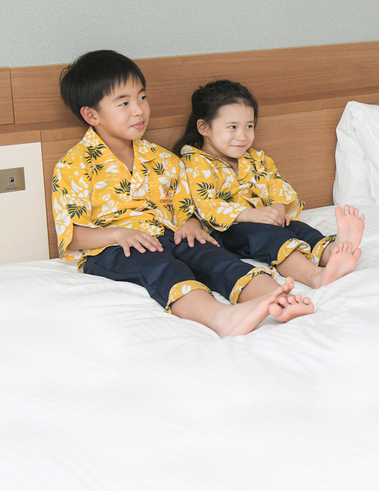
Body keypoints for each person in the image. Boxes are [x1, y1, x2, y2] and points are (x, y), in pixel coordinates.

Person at [52, 51, 313, 337]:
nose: (139, 110)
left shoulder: (164, 159)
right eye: (124, 103)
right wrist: (118, 234)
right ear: (91, 115)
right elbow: (72, 235)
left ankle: (278, 299)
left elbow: (187, 208)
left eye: (142, 97)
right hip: (113, 248)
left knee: (210, 254)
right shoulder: (73, 165)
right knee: (162, 267)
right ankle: (220, 317)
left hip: (167, 234)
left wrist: (191, 225)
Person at [173, 80, 363, 289]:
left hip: (262, 219)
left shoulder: (255, 158)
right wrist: (252, 215)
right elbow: (207, 206)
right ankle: (314, 276)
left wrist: (277, 209)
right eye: (232, 127)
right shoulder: (195, 162)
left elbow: (276, 184)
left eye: (249, 126)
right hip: (227, 230)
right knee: (272, 238)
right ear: (204, 127)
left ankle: (333, 251)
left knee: (296, 227)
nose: (242, 136)